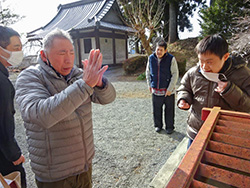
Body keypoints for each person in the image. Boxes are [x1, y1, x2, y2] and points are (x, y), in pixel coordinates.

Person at [15, 28, 116, 188]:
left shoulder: (78, 75)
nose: (68, 60)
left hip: (84, 166)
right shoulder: (30, 77)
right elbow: (41, 115)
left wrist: (100, 84)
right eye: (62, 54)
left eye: (71, 53)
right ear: (43, 55)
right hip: (55, 174)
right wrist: (85, 85)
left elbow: (108, 98)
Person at [177, 34, 250, 148]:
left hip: (225, 136)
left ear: (225, 57)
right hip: (196, 131)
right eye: (201, 60)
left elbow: (247, 107)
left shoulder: (242, 74)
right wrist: (183, 98)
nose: (204, 66)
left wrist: (229, 91)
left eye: (209, 62)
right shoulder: (194, 72)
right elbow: (185, 87)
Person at [0, 26, 26, 187]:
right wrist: (14, 154)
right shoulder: (2, 82)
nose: (20, 52)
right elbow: (4, 122)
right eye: (16, 48)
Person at [146, 40, 179, 134]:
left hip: (168, 90)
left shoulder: (171, 59)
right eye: (157, 49)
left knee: (169, 110)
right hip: (156, 89)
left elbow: (175, 74)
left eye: (161, 50)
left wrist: (170, 88)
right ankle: (158, 125)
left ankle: (169, 127)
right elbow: (148, 72)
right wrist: (149, 85)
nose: (159, 52)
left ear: (166, 50)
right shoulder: (151, 58)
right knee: (156, 109)